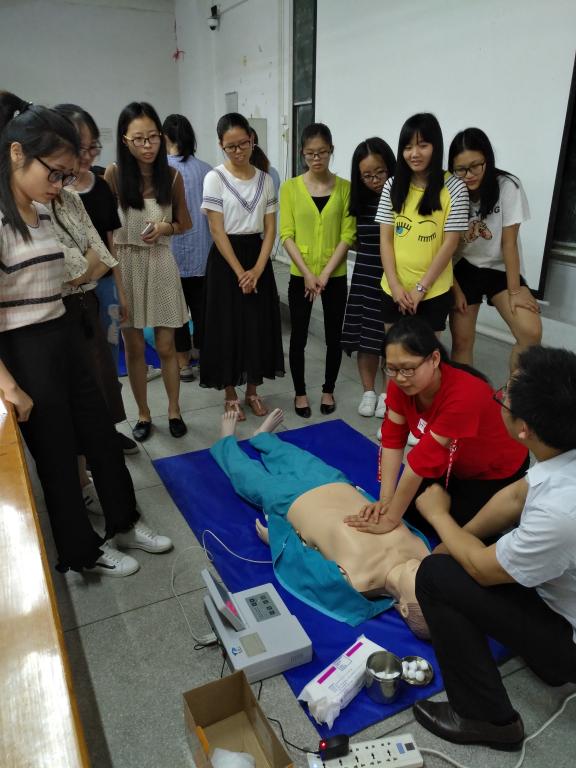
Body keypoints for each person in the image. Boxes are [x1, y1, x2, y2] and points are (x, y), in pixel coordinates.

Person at [0, 93, 171, 577]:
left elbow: (91, 259)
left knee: (100, 434)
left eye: (65, 175)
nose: (59, 184)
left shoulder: (45, 209)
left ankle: (124, 522)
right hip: (24, 350)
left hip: (64, 332)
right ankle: (81, 552)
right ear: (17, 153)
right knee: (56, 455)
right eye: (53, 173)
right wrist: (9, 385)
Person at [412, 345, 576, 751]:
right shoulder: (559, 447)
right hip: (561, 587)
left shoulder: (561, 509)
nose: (499, 396)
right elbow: (518, 495)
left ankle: (486, 718)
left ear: (524, 429)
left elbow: (483, 570)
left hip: (567, 635)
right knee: (461, 550)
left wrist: (439, 518)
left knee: (434, 576)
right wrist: (456, 539)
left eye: (504, 396)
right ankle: (547, 660)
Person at [210, 408, 431, 635]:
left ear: (404, 608)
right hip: (333, 483)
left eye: (426, 592)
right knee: (293, 457)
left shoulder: (357, 583)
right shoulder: (424, 553)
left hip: (290, 501)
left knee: (247, 476)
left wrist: (277, 539)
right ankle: (262, 438)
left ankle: (226, 443)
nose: (431, 582)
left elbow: (304, 566)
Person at [345, 317, 529, 538]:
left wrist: (390, 519)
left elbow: (420, 461)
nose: (400, 378)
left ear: (434, 359)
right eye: (392, 369)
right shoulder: (401, 385)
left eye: (408, 369)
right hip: (453, 463)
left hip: (495, 472)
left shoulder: (464, 394)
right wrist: (385, 501)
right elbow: (392, 439)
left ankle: (513, 508)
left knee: (462, 530)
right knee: (411, 509)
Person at [104, 102, 192, 442]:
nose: (147, 145)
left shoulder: (172, 176)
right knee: (134, 347)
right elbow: (105, 231)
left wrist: (165, 227)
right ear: (125, 140)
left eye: (154, 137)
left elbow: (184, 222)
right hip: (125, 265)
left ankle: (174, 409)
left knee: (167, 345)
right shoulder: (113, 175)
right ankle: (143, 413)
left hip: (160, 262)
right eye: (139, 138)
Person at [200, 112, 284, 420]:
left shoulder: (265, 179)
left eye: (243, 144)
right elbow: (216, 229)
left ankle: (252, 391)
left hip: (257, 256)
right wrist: (240, 272)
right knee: (227, 327)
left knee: (256, 326)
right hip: (226, 261)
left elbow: (270, 228)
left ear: (252, 140)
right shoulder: (215, 178)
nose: (238, 151)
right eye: (231, 146)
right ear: (221, 145)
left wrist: (258, 269)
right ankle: (230, 393)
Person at [448, 128, 542, 372]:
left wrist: (515, 291)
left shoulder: (508, 186)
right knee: (462, 341)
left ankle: (514, 392)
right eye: (461, 169)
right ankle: (465, 393)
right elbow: (443, 247)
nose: (468, 175)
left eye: (475, 166)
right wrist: (454, 288)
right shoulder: (449, 191)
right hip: (463, 267)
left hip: (500, 267)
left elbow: (508, 243)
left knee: (530, 333)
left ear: (487, 160)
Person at [280, 123, 356, 418]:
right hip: (301, 275)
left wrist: (324, 275)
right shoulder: (290, 188)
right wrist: (308, 274)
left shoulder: (345, 188)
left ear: (331, 151)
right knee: (298, 336)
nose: (316, 158)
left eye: (322, 152)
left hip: (334, 275)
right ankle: (300, 393)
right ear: (302, 153)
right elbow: (286, 234)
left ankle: (328, 389)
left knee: (334, 336)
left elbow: (347, 235)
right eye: (310, 153)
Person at [375, 113, 468, 334]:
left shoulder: (455, 188)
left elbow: (450, 244)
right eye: (408, 147)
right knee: (393, 351)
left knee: (426, 353)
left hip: (433, 292)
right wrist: (395, 286)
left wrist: (421, 289)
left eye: (423, 145)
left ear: (436, 146)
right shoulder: (392, 186)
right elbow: (386, 240)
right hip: (393, 290)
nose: (414, 154)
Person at [341, 137, 396, 420]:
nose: (374, 180)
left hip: (394, 276)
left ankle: (388, 394)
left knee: (391, 339)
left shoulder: (402, 198)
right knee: (366, 337)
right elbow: (352, 238)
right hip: (365, 273)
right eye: (367, 175)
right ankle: (368, 392)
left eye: (380, 172)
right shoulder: (358, 201)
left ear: (391, 168)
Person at [163, 113, 213, 382]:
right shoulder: (206, 170)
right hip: (203, 252)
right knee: (203, 310)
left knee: (177, 313)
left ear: (164, 137)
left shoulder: (159, 170)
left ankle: (183, 364)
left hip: (170, 253)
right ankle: (205, 357)